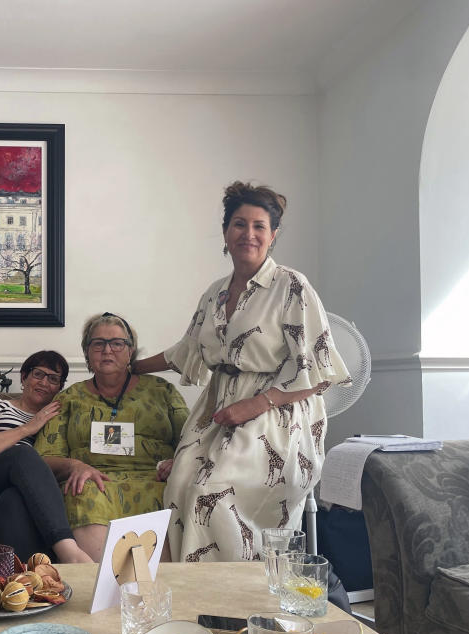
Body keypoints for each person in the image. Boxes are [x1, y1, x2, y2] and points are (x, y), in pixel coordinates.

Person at [134, 181, 351, 562]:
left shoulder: (292, 286)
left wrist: (256, 405)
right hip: (217, 410)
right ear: (225, 232)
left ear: (273, 235)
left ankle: (238, 595)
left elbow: (319, 371)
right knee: (178, 482)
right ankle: (191, 597)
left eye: (258, 226)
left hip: (277, 416)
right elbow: (185, 350)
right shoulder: (215, 292)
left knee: (211, 492)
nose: (248, 234)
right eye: (238, 224)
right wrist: (131, 366)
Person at [33, 313, 189, 561]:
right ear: (87, 352)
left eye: (117, 343)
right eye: (98, 343)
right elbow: (42, 459)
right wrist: (75, 465)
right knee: (81, 491)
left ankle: (158, 590)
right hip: (94, 483)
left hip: (157, 479)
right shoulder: (70, 398)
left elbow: (192, 440)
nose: (107, 350)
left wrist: (180, 462)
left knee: (176, 493)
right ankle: (104, 588)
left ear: (130, 351)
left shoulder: (162, 391)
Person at [0, 351, 93, 564]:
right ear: (24, 377)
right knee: (22, 452)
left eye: (53, 378)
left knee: (12, 500)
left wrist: (75, 464)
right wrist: (27, 429)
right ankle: (68, 550)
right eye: (38, 374)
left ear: (59, 388)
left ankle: (29, 582)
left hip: (17, 494)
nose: (44, 382)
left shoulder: (56, 420)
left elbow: (44, 469)